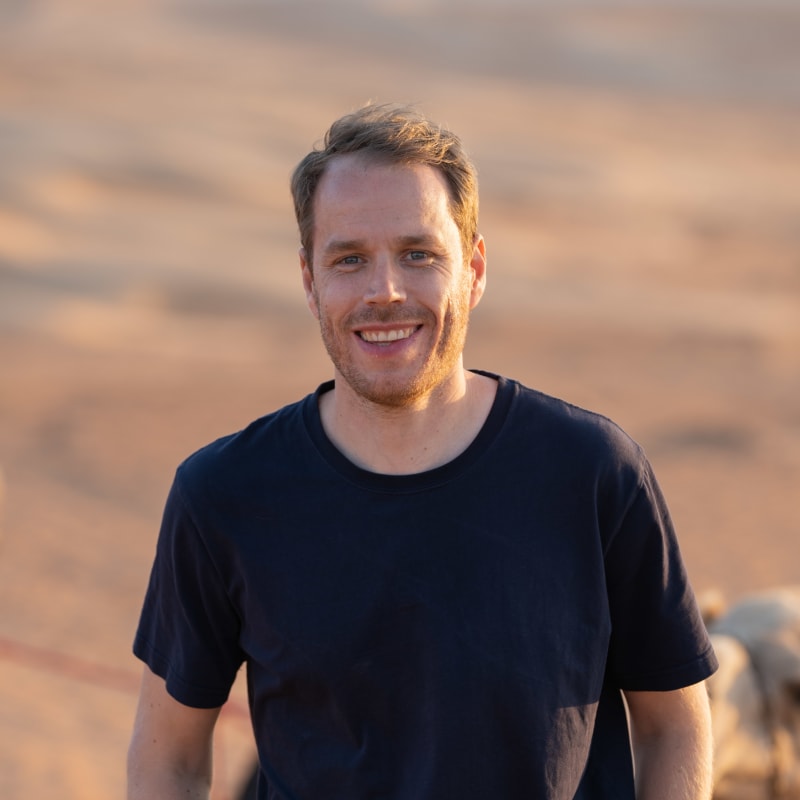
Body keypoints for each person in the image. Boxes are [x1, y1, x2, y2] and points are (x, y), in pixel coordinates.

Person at [127, 103, 718, 800]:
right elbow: (170, 757)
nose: (385, 291)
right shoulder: (225, 493)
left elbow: (673, 722)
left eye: (419, 254)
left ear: (473, 269)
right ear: (309, 281)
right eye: (349, 259)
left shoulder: (592, 474)